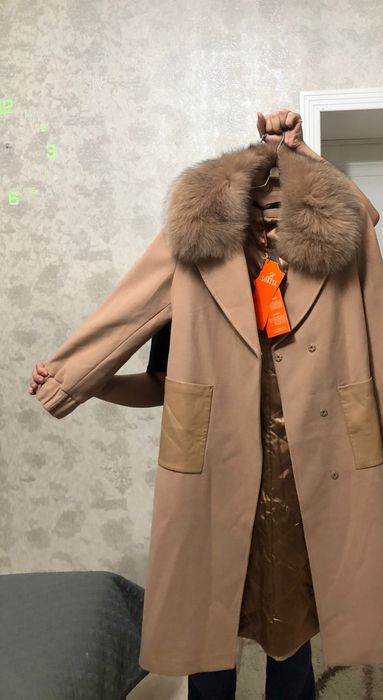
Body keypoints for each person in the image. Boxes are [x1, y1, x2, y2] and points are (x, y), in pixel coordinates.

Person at [29, 109, 324, 700]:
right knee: (205, 613)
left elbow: (362, 220)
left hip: (294, 471)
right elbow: (161, 385)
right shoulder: (195, 265)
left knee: (290, 617)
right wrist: (88, 380)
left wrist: (301, 157)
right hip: (211, 470)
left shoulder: (321, 262)